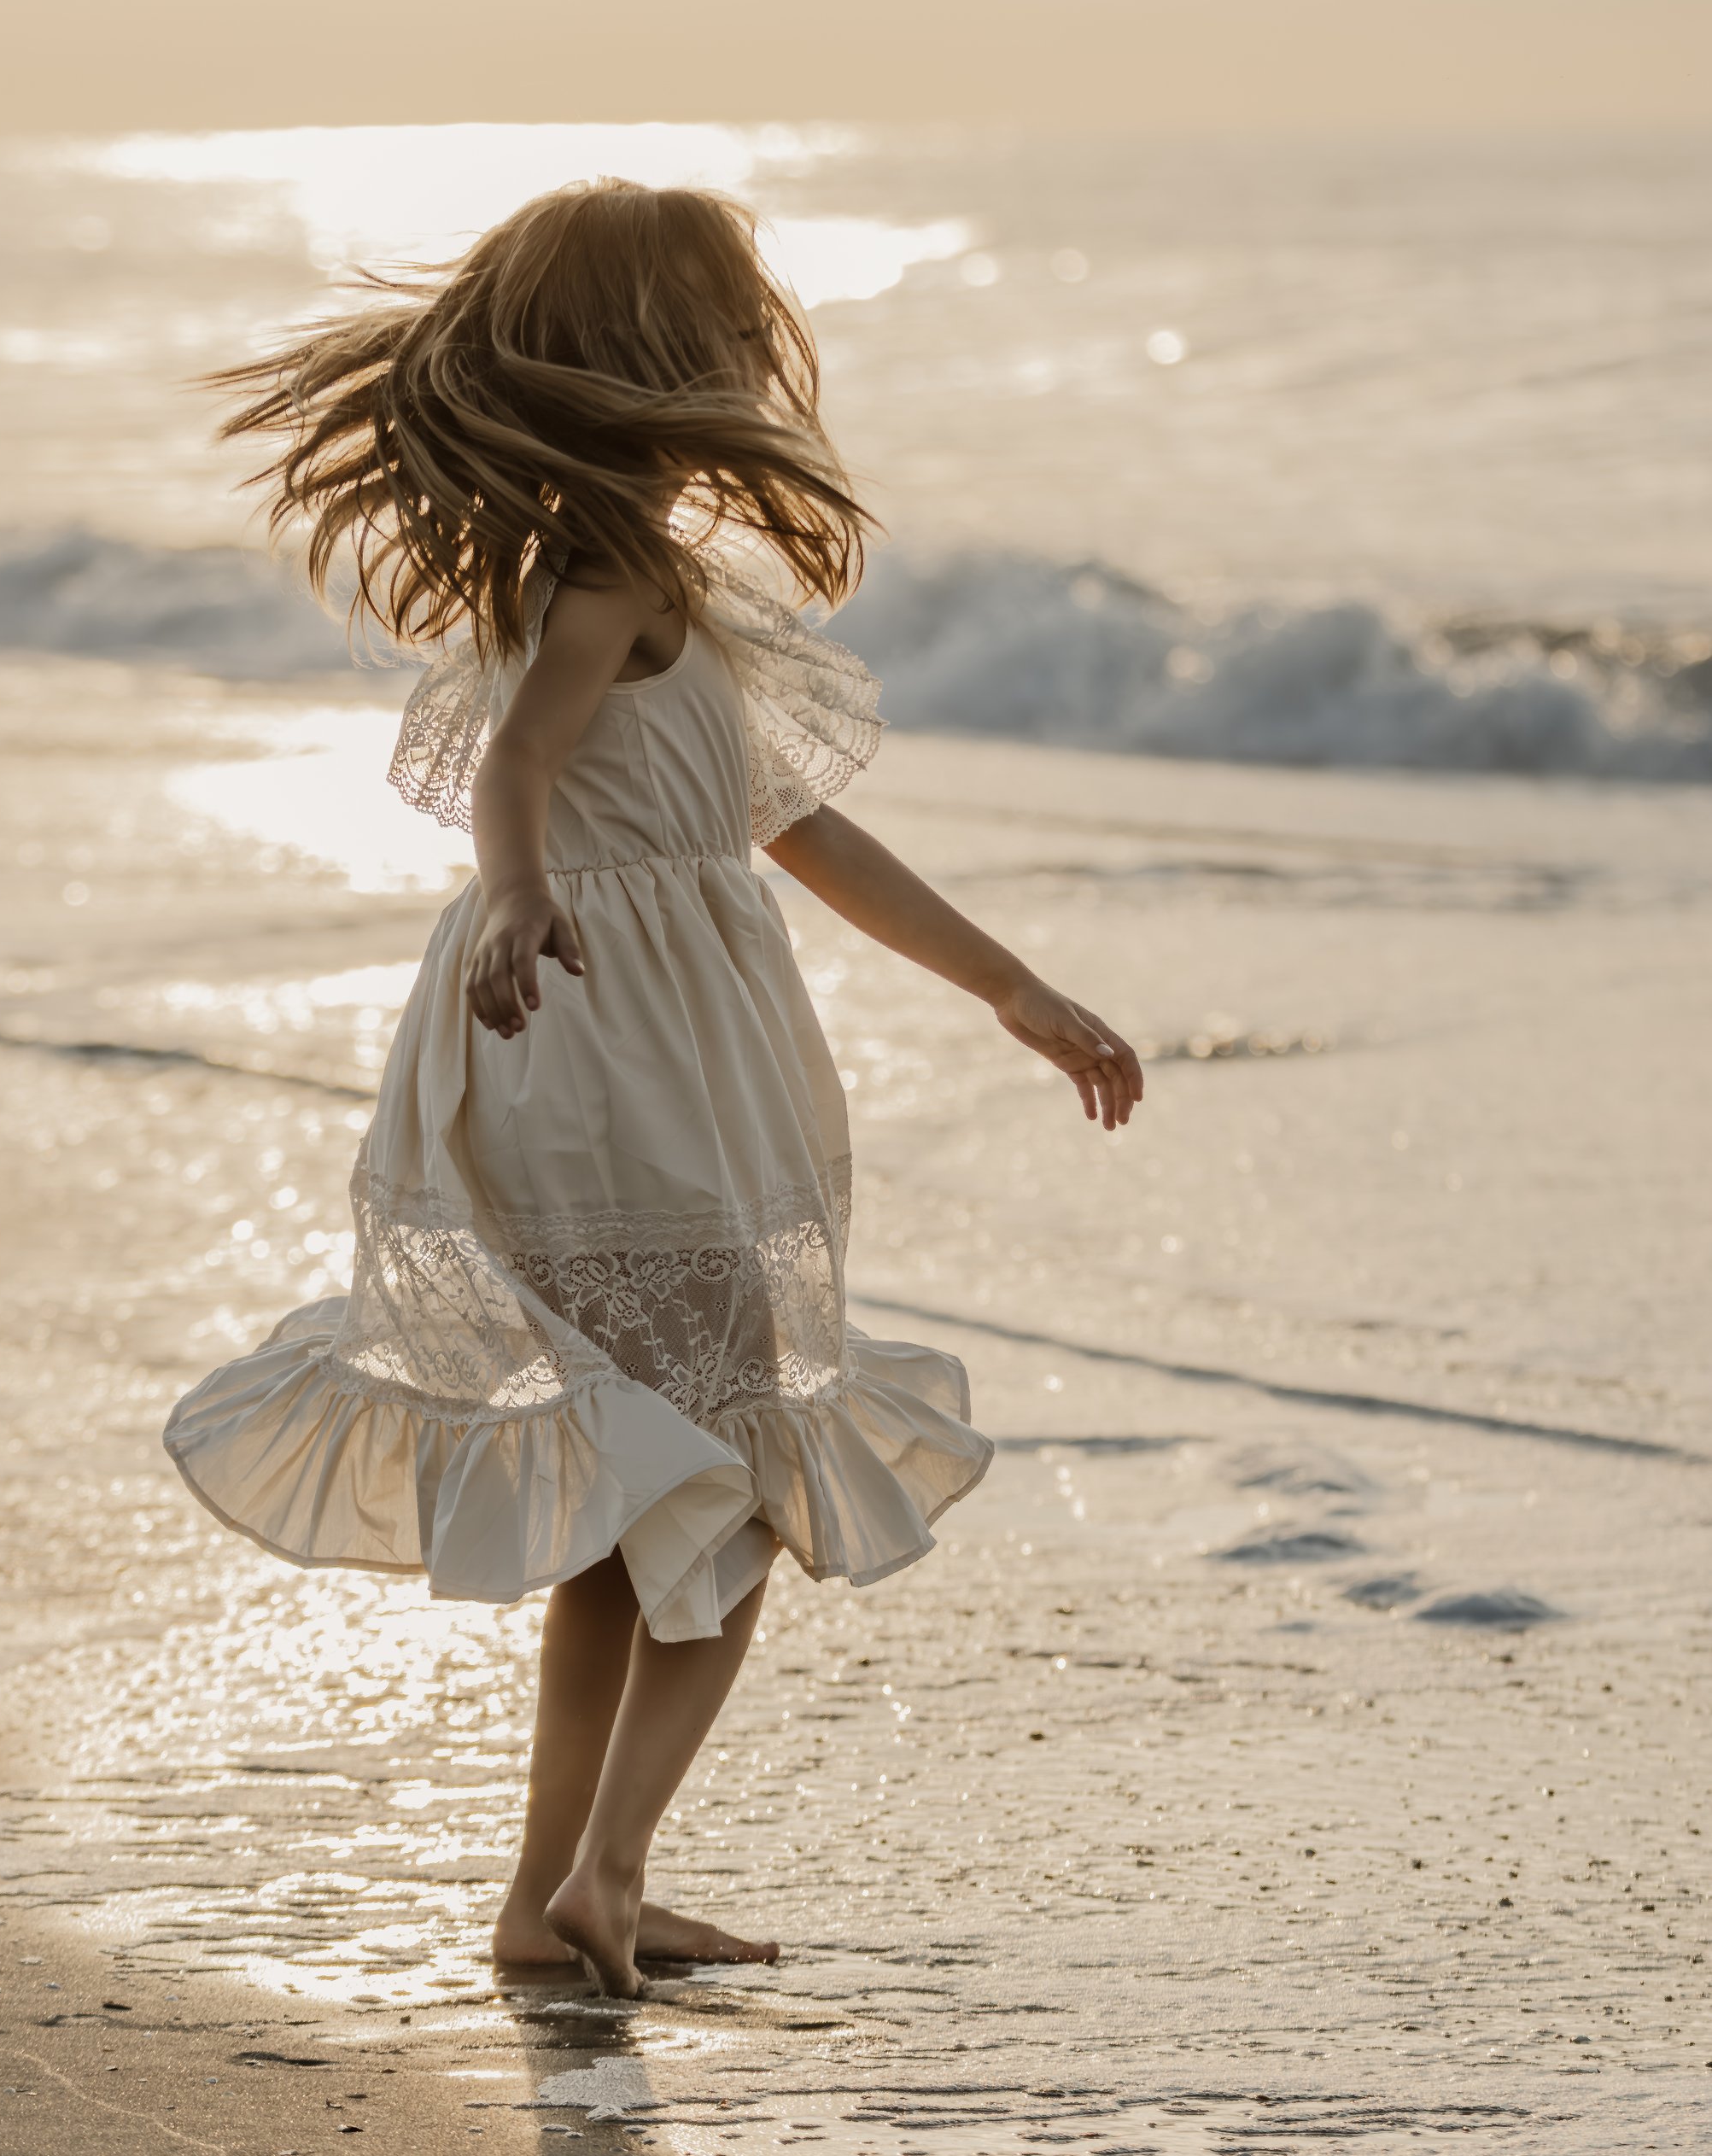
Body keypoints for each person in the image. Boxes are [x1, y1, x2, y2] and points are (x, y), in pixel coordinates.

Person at [163, 181, 1142, 1995]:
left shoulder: (631, 577)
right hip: (616, 1047)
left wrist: (1007, 982)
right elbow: (517, 766)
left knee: (642, 1499)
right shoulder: (608, 575)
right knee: (746, 1470)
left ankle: (551, 1906)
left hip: (623, 1045)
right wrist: (525, 890)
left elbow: (799, 829)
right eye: (720, 328)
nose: (745, 358)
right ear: (658, 358)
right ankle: (605, 1871)